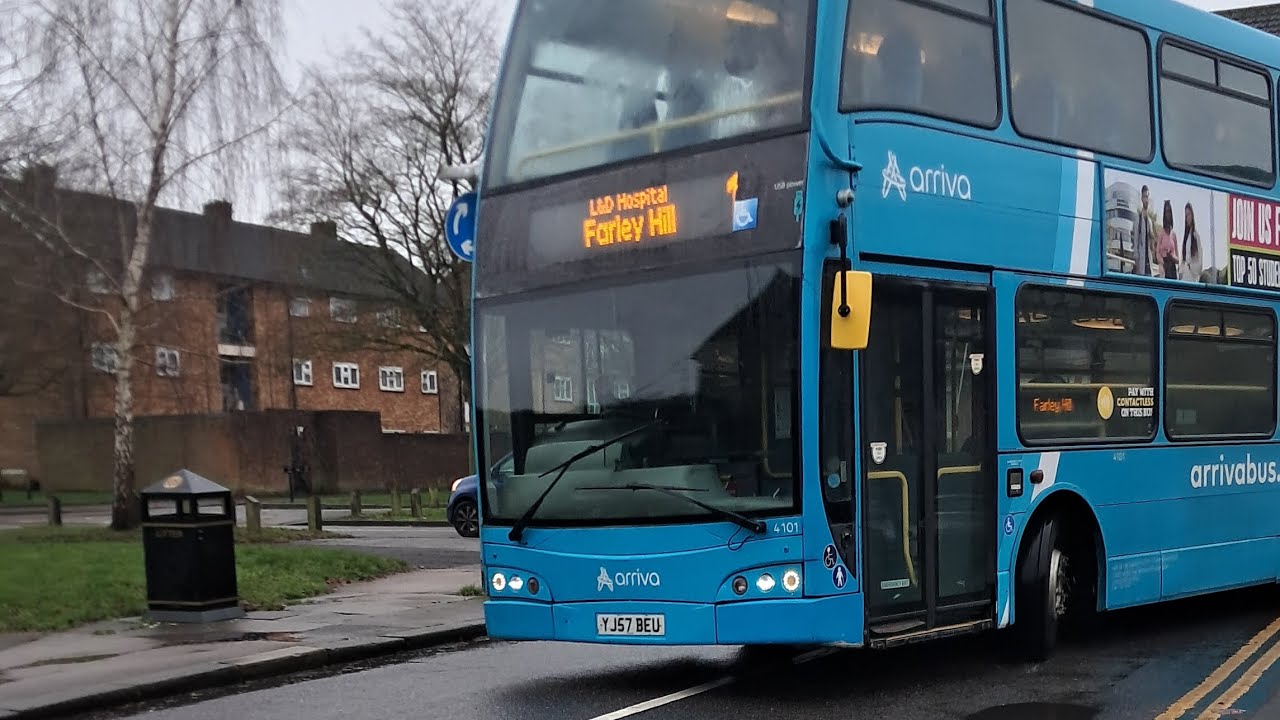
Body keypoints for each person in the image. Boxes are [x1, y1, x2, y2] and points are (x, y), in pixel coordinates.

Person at [1156, 200, 1180, 279]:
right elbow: (1157, 252)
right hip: (1164, 267)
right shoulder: (1161, 233)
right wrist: (1162, 263)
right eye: (1166, 212)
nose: (1168, 215)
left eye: (1169, 212)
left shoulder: (1174, 235)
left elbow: (1178, 259)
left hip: (1172, 267)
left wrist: (1172, 256)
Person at [1180, 203, 1204, 283]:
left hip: (1193, 275)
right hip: (1185, 275)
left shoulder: (1196, 236)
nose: (1187, 218)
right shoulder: (1186, 237)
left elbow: (1200, 258)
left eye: (1189, 214)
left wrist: (1191, 267)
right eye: (1186, 216)